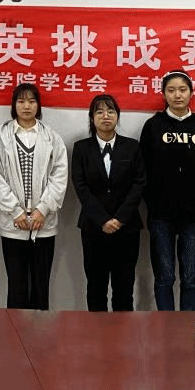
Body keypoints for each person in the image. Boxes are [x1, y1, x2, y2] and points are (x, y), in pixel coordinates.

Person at [139, 69, 195, 312]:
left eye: (182, 90)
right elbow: (143, 170)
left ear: (192, 93)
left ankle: (186, 327)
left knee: (191, 279)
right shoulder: (153, 126)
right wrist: (153, 202)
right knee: (165, 278)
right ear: (163, 94)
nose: (177, 95)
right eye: (171, 90)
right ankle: (166, 328)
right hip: (161, 216)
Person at [0, 82, 68, 310]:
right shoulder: (1, 137)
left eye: (32, 101)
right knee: (17, 285)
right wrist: (16, 212)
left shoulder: (52, 137)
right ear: (14, 105)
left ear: (38, 105)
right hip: (13, 223)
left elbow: (59, 176)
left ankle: (40, 331)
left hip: (44, 223)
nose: (26, 106)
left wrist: (43, 210)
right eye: (21, 101)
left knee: (41, 285)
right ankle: (14, 331)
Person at [70, 94, 145, 312]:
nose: (106, 116)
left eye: (111, 111)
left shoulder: (132, 147)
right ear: (91, 118)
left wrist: (119, 218)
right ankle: (96, 333)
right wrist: (102, 219)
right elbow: (80, 186)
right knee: (96, 288)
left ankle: (123, 333)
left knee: (124, 289)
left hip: (127, 229)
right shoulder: (81, 148)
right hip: (93, 229)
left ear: (117, 116)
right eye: (100, 112)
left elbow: (139, 184)